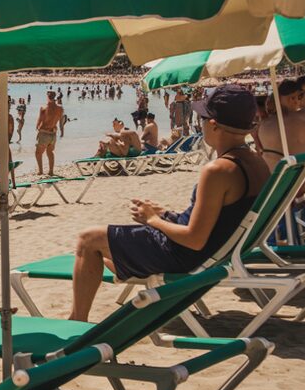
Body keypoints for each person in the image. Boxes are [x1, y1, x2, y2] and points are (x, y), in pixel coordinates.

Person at [69, 85, 268, 321]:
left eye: (202, 117)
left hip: (183, 256)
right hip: (213, 253)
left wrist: (152, 219)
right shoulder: (257, 163)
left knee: (88, 239)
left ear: (213, 124)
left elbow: (194, 239)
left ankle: (77, 320)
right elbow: (219, 218)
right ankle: (124, 265)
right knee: (108, 250)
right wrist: (165, 214)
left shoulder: (218, 170)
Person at [257, 78, 305, 189]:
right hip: (297, 183)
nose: (298, 101)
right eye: (297, 97)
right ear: (292, 99)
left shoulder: (264, 123)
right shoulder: (304, 118)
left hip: (271, 182)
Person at [35, 91, 63, 175]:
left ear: (47, 97)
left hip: (44, 133)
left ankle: (40, 171)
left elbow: (40, 120)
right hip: (53, 134)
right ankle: (51, 171)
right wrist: (62, 131)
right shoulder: (60, 108)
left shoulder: (44, 108)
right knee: (50, 152)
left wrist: (37, 128)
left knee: (38, 153)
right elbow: (61, 122)